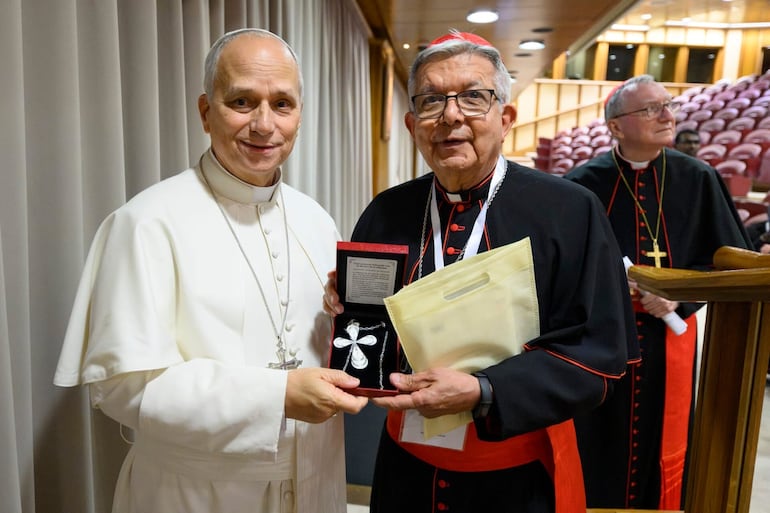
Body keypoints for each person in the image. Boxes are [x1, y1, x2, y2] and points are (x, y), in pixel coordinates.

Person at [53, 28, 368, 513]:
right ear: (206, 111)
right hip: (195, 493)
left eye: (282, 104)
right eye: (242, 101)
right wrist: (276, 395)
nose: (264, 125)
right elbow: (123, 387)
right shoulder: (146, 222)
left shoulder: (316, 219)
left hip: (315, 482)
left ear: (299, 114)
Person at [324, 30, 638, 513]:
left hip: (516, 479)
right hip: (406, 471)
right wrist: (341, 303)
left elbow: (598, 356)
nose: (451, 115)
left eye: (474, 97)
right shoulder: (387, 211)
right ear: (412, 124)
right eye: (432, 101)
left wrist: (482, 390)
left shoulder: (571, 211)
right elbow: (367, 335)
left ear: (506, 117)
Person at [565, 74, 753, 510]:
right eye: (650, 109)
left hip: (671, 338)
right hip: (604, 340)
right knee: (597, 438)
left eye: (667, 105)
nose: (667, 116)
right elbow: (561, 265)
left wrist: (680, 296)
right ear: (616, 126)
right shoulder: (581, 184)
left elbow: (730, 261)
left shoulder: (699, 178)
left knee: (664, 440)